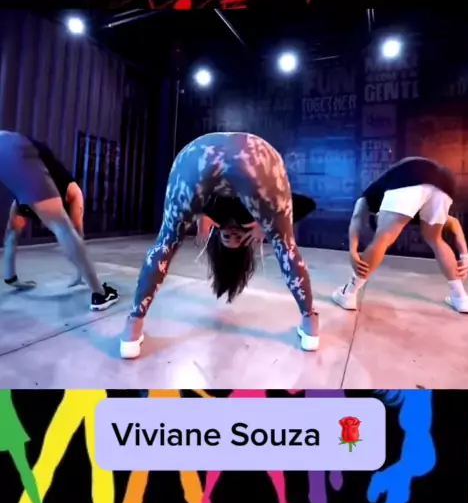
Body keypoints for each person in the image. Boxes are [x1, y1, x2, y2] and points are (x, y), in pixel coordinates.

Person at [119, 132, 319, 359]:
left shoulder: (214, 214)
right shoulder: (250, 216)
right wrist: (266, 225)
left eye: (226, 239)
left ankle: (134, 323)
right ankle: (310, 319)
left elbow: (201, 204)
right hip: (252, 157)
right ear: (246, 245)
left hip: (198, 156)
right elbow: (306, 205)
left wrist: (202, 216)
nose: (232, 234)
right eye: (237, 239)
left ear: (217, 238)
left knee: (167, 241)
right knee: (286, 245)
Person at [332, 156, 468, 314]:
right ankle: (461, 298)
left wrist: (352, 251)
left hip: (412, 172)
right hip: (444, 183)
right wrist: (464, 256)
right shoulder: (413, 211)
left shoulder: (370, 197)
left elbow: (357, 217)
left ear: (377, 214)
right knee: (435, 238)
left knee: (383, 238)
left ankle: (349, 293)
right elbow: (454, 223)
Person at [0, 132, 118, 310]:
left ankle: (11, 277)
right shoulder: (73, 191)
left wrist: (13, 280)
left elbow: (11, 237)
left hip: (9, 153)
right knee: (64, 229)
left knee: (12, 232)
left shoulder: (27, 200)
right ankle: (100, 294)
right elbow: (77, 234)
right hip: (19, 151)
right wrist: (80, 273)